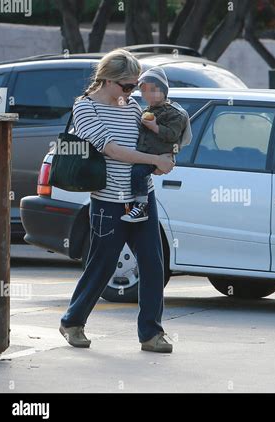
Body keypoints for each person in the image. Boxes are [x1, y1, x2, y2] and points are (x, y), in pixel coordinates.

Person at [59, 49, 176, 353]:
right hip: (109, 201)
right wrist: (153, 158)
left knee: (153, 265)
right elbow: (112, 151)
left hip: (141, 197)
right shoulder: (85, 109)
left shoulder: (132, 105)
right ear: (106, 80)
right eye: (126, 86)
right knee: (102, 265)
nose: (131, 92)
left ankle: (151, 334)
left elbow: (144, 142)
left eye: (135, 86)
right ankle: (72, 322)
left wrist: (163, 157)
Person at [121, 67, 189, 223]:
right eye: (144, 91)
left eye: (153, 90)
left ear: (164, 91)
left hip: (159, 155)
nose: (148, 94)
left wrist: (155, 127)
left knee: (138, 172)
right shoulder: (147, 111)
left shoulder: (174, 113)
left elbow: (173, 134)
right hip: (147, 155)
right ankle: (137, 203)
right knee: (138, 173)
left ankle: (141, 206)